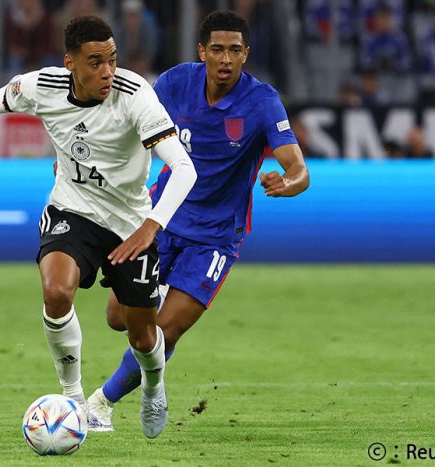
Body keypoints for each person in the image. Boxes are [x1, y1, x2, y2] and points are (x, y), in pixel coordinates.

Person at [0, 15, 196, 438]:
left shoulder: (135, 96)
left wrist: (150, 227)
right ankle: (73, 399)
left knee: (143, 337)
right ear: (69, 63)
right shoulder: (43, 86)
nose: (108, 72)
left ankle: (153, 386)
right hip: (72, 211)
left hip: (130, 225)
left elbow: (184, 169)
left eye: (112, 60)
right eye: (95, 62)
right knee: (56, 292)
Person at [85, 10, 310, 432]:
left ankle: (101, 404)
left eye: (235, 50)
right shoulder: (174, 83)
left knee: (163, 332)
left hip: (215, 238)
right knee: (118, 317)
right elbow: (129, 127)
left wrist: (288, 182)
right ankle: (153, 369)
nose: (226, 59)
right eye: (218, 49)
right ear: (202, 51)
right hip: (160, 219)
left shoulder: (261, 102)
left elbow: (299, 168)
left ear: (246, 54)